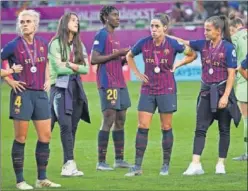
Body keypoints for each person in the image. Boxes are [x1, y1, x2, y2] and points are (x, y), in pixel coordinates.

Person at [124, 13, 197, 177]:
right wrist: (136, 73)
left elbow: (192, 54)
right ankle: (137, 166)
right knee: (142, 126)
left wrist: (178, 64)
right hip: (148, 89)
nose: (154, 29)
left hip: (167, 89)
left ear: (165, 28)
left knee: (166, 127)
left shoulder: (173, 44)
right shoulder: (143, 43)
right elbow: (129, 56)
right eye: (152, 26)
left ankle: (165, 165)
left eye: (157, 26)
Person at [168, 15, 241, 175]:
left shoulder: (229, 48)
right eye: (204, 29)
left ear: (218, 31)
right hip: (206, 93)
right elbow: (183, 42)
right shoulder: (202, 44)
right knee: (200, 129)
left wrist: (225, 96)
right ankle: (195, 164)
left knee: (224, 130)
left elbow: (231, 75)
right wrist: (165, 35)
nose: (205, 32)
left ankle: (220, 164)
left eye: (208, 29)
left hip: (223, 93)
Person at [1, 10, 61, 190]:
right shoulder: (12, 45)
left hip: (40, 95)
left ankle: (42, 179)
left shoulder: (43, 43)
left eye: (28, 21)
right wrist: (9, 78)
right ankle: (20, 181)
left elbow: (48, 64)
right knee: (21, 137)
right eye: (22, 22)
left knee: (46, 136)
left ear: (35, 24)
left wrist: (49, 79)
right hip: (22, 94)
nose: (25, 24)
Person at [48, 12, 91, 176]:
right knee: (64, 126)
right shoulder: (55, 43)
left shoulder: (79, 45)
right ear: (65, 23)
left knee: (72, 127)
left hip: (76, 87)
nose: (77, 23)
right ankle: (69, 164)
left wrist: (70, 64)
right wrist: (75, 67)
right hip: (59, 87)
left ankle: (67, 164)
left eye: (78, 21)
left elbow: (86, 68)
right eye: (73, 20)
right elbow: (58, 69)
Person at [91, 5, 131, 171]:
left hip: (120, 82)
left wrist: (122, 60)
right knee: (109, 119)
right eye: (115, 15)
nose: (118, 18)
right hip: (108, 82)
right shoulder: (102, 34)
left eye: (118, 15)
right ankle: (101, 162)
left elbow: (113, 59)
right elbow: (94, 59)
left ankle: (119, 159)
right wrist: (117, 54)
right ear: (106, 17)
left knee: (121, 119)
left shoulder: (114, 36)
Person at [229, 14, 248, 161]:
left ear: (234, 27)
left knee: (246, 119)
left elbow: (230, 56)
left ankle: (247, 153)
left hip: (244, 82)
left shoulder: (235, 37)